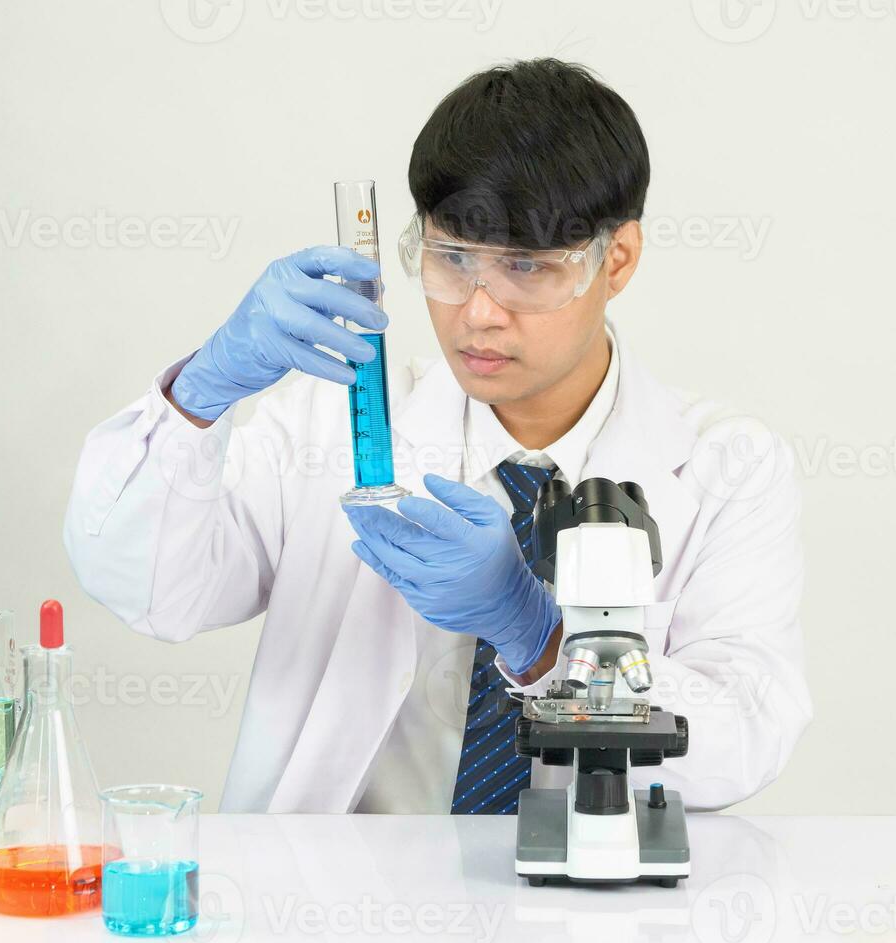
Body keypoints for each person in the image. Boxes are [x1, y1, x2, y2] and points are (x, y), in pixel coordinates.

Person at [64, 59, 811, 815]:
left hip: (591, 913)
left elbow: (742, 742)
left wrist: (541, 638)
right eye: (451, 259)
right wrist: (198, 396)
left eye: (525, 267)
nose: (478, 312)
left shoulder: (727, 467)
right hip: (329, 911)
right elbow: (154, 591)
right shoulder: (334, 424)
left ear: (614, 260)